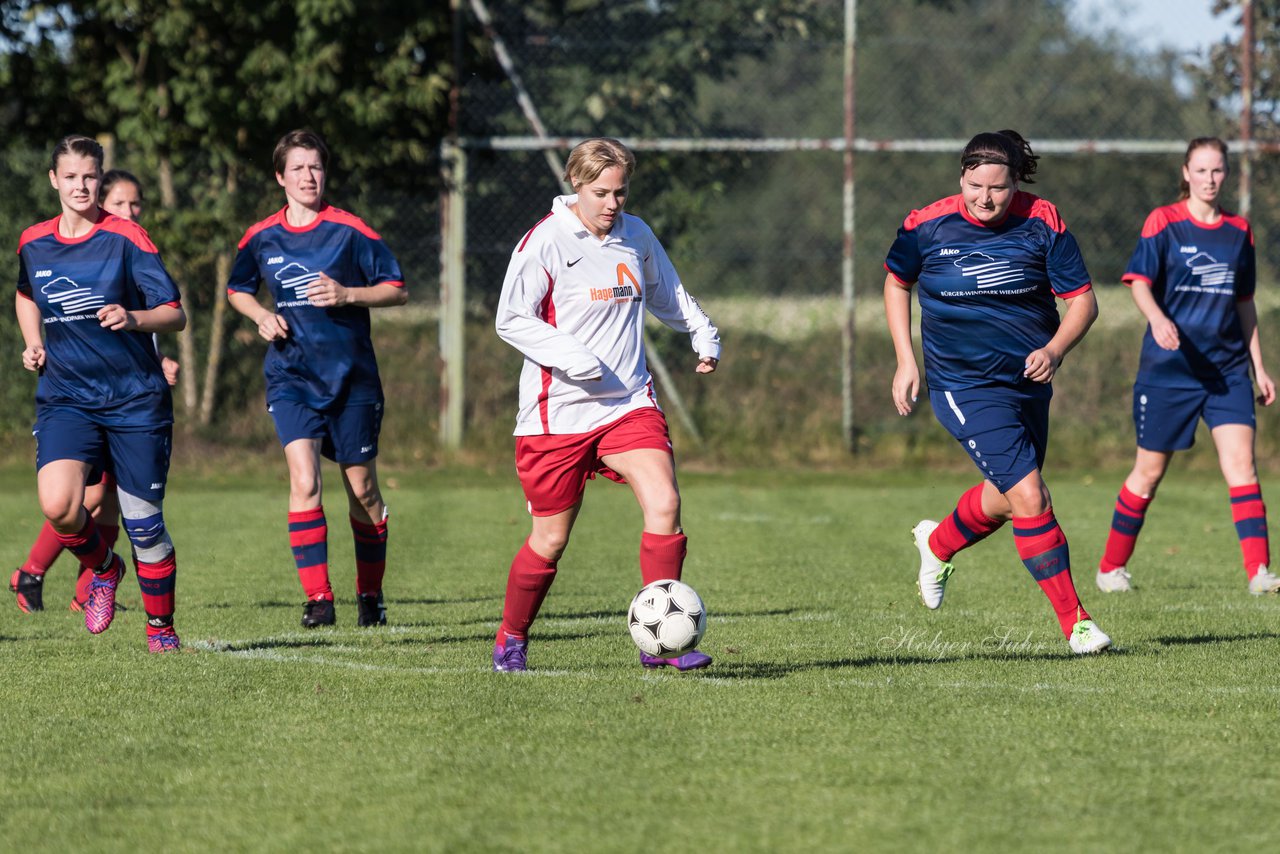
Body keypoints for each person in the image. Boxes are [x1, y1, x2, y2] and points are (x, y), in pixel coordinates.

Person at [491, 137, 721, 673]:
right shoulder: (544, 243)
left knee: (664, 501)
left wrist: (702, 335)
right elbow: (511, 318)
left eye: (620, 192)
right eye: (600, 193)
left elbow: (668, 294)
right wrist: (572, 357)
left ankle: (660, 646)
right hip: (557, 415)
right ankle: (511, 637)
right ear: (576, 184)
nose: (612, 204)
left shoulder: (635, 235)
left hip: (627, 405)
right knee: (550, 539)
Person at [884, 129, 1111, 654]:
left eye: (998, 188)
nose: (984, 198)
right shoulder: (926, 224)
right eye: (974, 186)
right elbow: (898, 282)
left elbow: (1084, 302)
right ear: (960, 177)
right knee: (1031, 494)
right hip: (962, 385)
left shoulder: (1043, 221)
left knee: (1010, 497)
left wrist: (1054, 351)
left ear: (1016, 183)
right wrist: (904, 360)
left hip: (1028, 382)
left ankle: (936, 543)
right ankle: (1077, 624)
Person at [227, 129, 407, 629]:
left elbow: (396, 289)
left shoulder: (351, 230)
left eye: (316, 167)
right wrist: (260, 315)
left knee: (363, 491)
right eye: (298, 168)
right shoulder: (261, 235)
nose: (309, 176)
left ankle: (370, 595)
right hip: (291, 375)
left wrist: (348, 293)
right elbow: (237, 288)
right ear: (280, 177)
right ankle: (318, 600)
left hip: (352, 380)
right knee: (304, 479)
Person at [15, 135, 186, 652]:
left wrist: (134, 318)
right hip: (67, 396)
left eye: (89, 176)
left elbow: (174, 312)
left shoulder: (127, 237)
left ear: (99, 177)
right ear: (53, 180)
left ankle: (162, 632)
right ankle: (104, 570)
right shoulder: (33, 241)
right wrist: (33, 343)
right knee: (59, 504)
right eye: (70, 177)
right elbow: (26, 295)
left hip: (134, 399)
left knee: (145, 526)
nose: (80, 186)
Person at [1097, 137, 1278, 594]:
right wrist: (1157, 318)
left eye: (1217, 171)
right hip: (1169, 372)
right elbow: (1138, 283)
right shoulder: (1164, 222)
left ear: (1226, 174)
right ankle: (1111, 569)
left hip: (1227, 370)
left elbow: (1245, 304)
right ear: (1186, 173)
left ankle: (1259, 572)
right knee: (1149, 473)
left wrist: (1259, 367)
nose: (1210, 179)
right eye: (1201, 170)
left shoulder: (1239, 230)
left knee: (1242, 466)